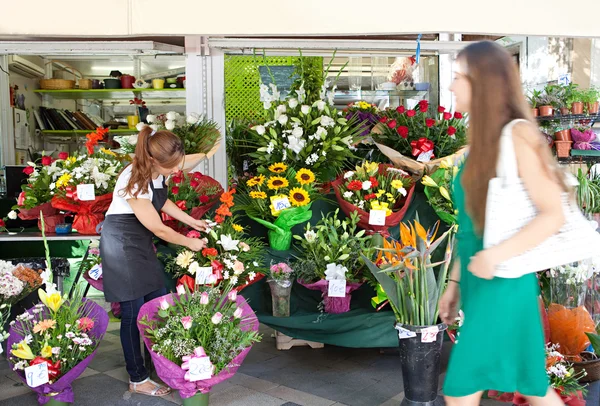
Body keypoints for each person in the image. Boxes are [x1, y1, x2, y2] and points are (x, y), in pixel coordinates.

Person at [439, 41, 567, 406]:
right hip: (484, 283)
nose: (451, 87)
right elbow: (475, 225)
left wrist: (496, 257)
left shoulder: (517, 136)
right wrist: (454, 283)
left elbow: (553, 213)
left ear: (484, 83)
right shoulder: (481, 143)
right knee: (531, 385)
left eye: (459, 77)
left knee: (462, 385)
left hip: (504, 284)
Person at [100, 126, 207, 397]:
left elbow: (162, 200)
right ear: (154, 159)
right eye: (172, 167)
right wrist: (190, 242)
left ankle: (163, 365)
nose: (176, 172)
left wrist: (190, 220)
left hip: (140, 244)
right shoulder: (133, 179)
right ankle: (137, 378)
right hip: (122, 245)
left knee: (159, 304)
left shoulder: (158, 172)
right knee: (133, 313)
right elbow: (159, 229)